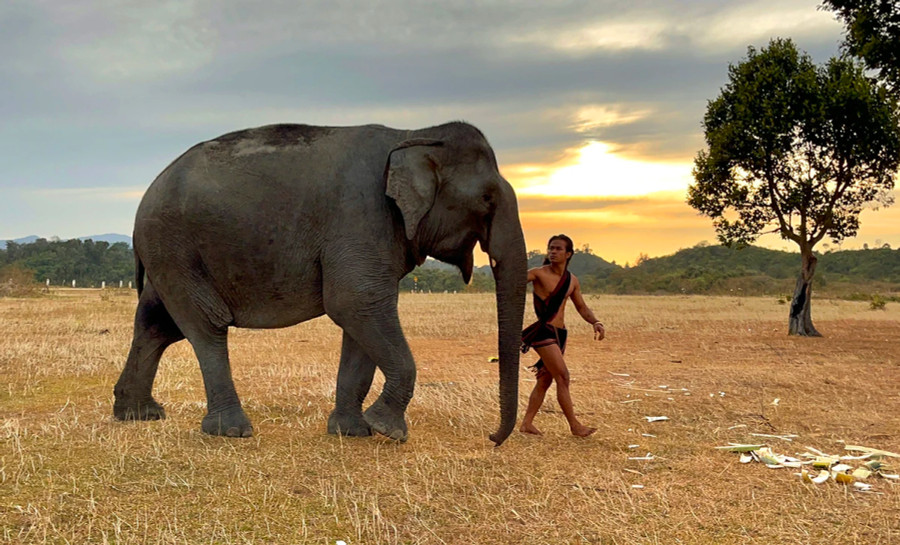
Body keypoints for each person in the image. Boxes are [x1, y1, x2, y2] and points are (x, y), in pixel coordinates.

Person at [520, 234, 604, 437]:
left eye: (558, 249)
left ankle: (526, 424)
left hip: (560, 334)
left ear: (568, 254)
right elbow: (514, 279)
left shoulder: (572, 280)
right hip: (543, 331)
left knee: (544, 381)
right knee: (563, 376)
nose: (553, 252)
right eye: (551, 248)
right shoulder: (538, 274)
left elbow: (581, 307)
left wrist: (595, 322)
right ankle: (575, 425)